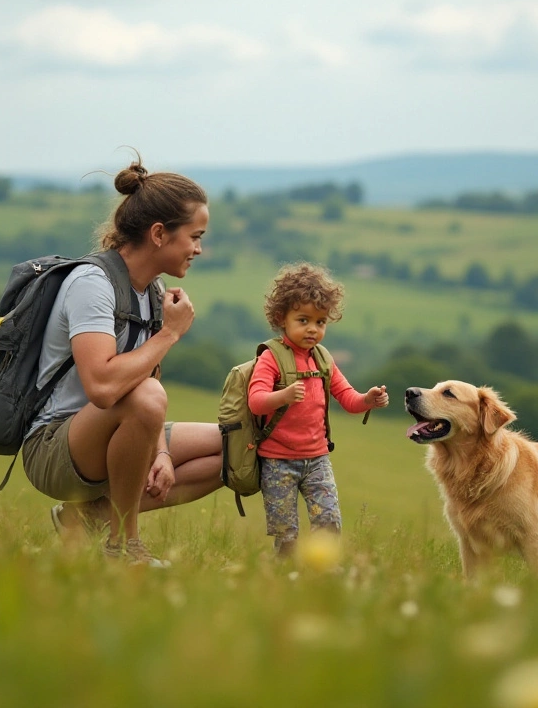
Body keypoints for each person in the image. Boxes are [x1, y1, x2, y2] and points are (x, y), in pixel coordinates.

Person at [21, 158, 223, 566]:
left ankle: (86, 519)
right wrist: (169, 333)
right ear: (159, 234)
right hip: (54, 446)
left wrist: (161, 455)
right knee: (148, 396)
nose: (199, 249)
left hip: (114, 429)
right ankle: (123, 548)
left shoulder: (151, 291)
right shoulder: (92, 284)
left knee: (238, 446)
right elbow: (103, 387)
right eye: (195, 236)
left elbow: (138, 387)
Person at [247, 263, 391, 557]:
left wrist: (369, 400)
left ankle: (324, 573)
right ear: (281, 318)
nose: (313, 329)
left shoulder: (323, 359)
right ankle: (285, 577)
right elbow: (256, 400)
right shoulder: (271, 358)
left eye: (321, 322)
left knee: (329, 522)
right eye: (303, 320)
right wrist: (282, 396)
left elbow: (348, 399)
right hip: (277, 462)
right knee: (286, 533)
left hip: (317, 459)